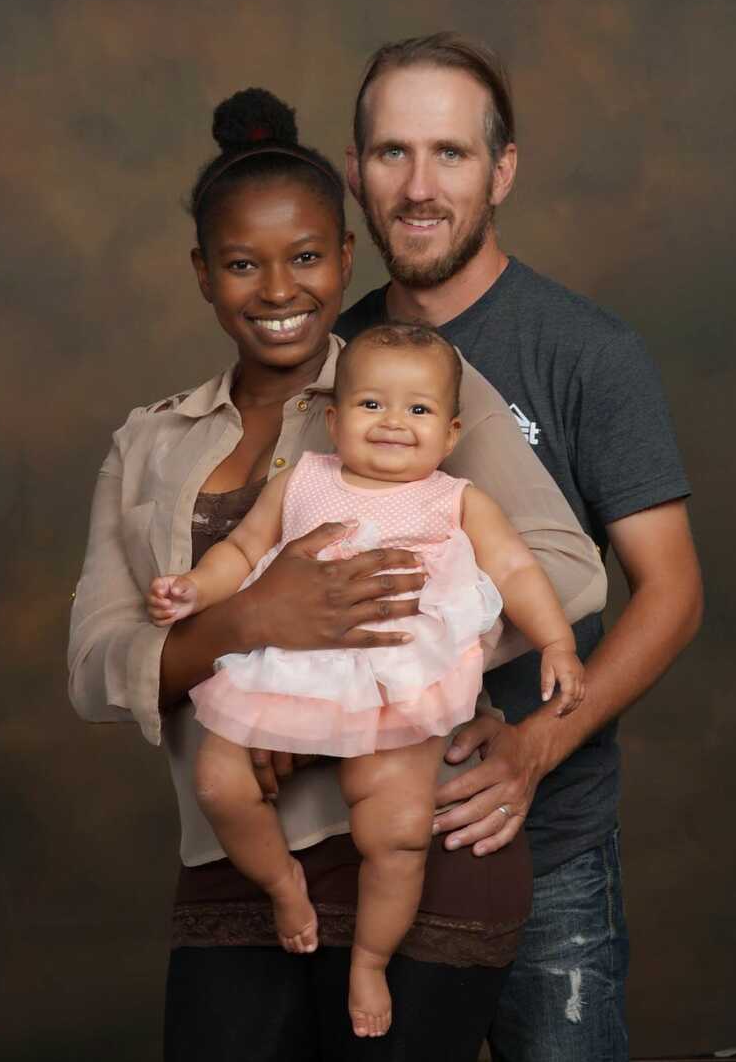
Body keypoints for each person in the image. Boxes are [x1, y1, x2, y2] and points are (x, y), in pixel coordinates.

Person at [68, 87, 606, 1062]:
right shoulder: (151, 442)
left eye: (308, 258)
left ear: (345, 259)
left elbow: (564, 568)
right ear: (203, 274)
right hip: (233, 854)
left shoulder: (411, 381)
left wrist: (390, 667)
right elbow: (97, 663)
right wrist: (244, 628)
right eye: (242, 264)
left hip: (417, 833)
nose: (279, 291)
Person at [336, 32, 704, 1062]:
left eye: (450, 154)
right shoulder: (331, 354)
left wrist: (537, 745)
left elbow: (671, 593)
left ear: (502, 170)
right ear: (357, 169)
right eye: (390, 153)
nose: (417, 187)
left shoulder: (587, 351)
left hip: (549, 850)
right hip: (364, 851)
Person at [148, 322, 587, 1038]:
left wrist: (557, 642)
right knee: (220, 782)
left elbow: (515, 569)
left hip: (395, 678)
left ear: (449, 434)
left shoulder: (455, 499)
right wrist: (196, 589)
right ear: (334, 419)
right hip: (293, 664)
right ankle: (282, 884)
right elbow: (244, 547)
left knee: (400, 831)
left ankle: (371, 961)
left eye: (417, 410)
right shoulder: (303, 482)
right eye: (371, 404)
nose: (392, 422)